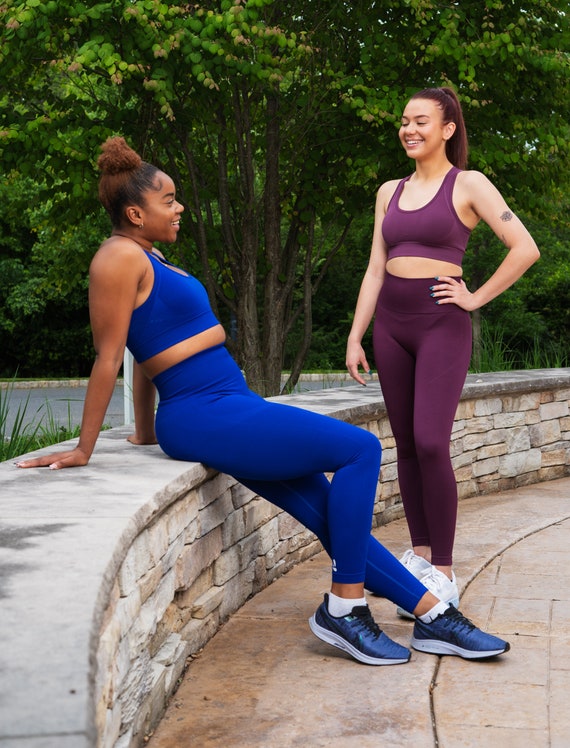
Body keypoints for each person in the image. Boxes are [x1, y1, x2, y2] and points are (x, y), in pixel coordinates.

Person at [17, 136, 510, 665]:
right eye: (170, 200)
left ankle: (435, 615)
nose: (181, 207)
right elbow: (111, 356)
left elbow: (144, 349)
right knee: (358, 451)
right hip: (204, 413)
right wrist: (84, 448)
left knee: (328, 511)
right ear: (135, 213)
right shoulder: (115, 259)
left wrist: (144, 431)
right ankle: (345, 609)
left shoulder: (146, 254)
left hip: (227, 405)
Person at [346, 86, 540, 617]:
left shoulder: (469, 184)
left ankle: (447, 571)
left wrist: (474, 297)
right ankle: (421, 555)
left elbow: (525, 247)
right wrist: (356, 334)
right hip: (391, 326)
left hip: (440, 326)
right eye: (404, 121)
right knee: (406, 444)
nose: (409, 129)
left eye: (421, 122)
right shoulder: (389, 191)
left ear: (448, 128)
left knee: (432, 441)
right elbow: (374, 268)